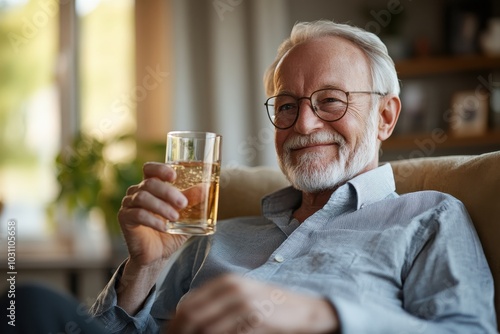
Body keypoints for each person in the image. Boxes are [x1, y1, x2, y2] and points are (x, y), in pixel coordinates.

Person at [90, 20, 497, 333]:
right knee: (33, 306)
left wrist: (325, 316)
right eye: (286, 106)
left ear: (385, 117)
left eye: (330, 101)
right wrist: (143, 268)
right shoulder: (214, 239)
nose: (303, 124)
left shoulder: (429, 218)